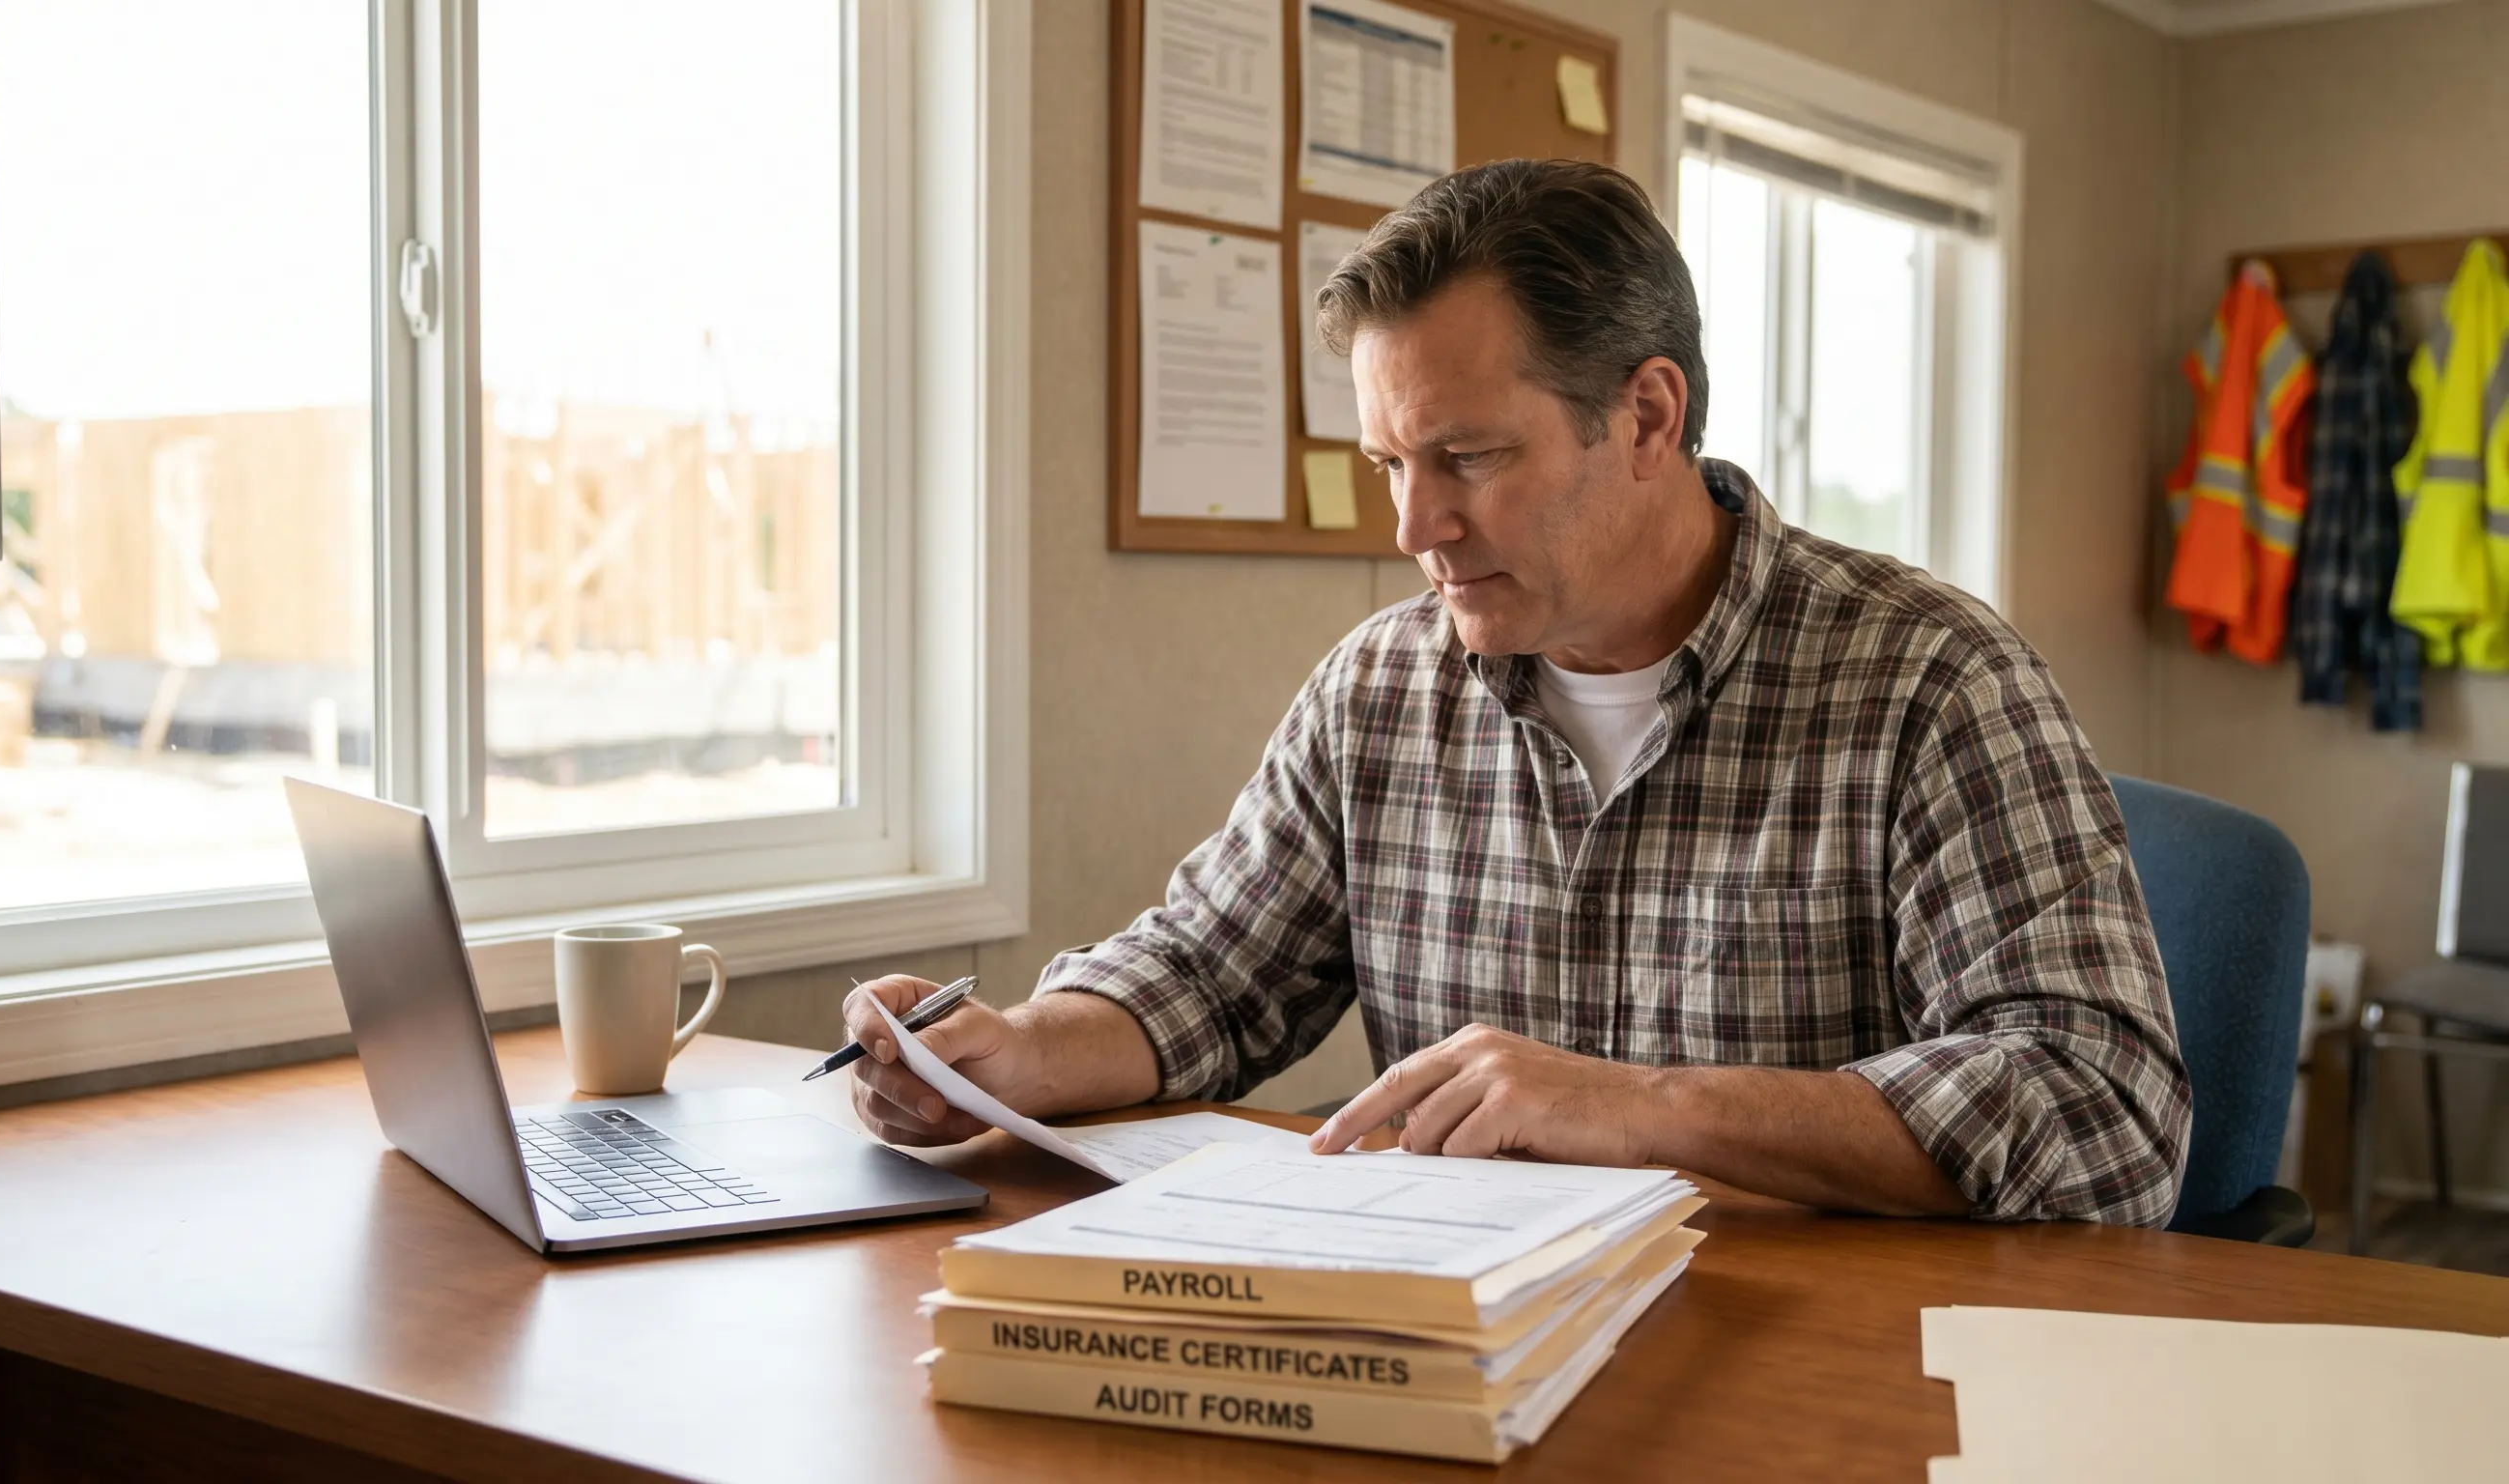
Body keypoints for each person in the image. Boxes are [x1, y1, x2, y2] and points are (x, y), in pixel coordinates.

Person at [843, 158, 2189, 1225]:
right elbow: (1211, 971)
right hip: (1471, 1355)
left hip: (1812, 1374)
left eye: (1470, 457)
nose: (1415, 527)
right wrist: (1016, 1051)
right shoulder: (1381, 687)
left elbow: (2107, 1112)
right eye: (1390, 464)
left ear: (1649, 418)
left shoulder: (1932, 680)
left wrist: (1643, 1109)